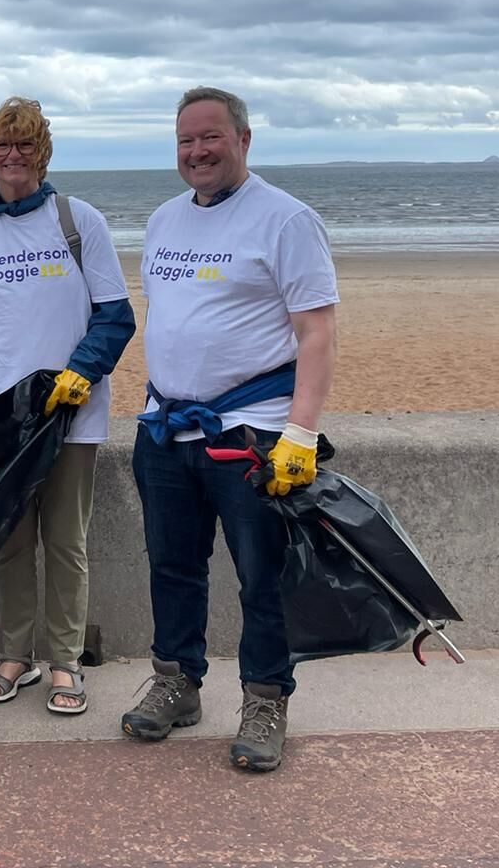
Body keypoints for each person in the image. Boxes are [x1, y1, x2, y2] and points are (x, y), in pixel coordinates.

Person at [120, 86, 338, 773]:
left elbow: (318, 332)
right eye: (185, 141)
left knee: (261, 577)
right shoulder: (163, 220)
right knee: (172, 567)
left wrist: (300, 434)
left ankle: (266, 699)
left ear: (243, 139)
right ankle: (177, 683)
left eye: (210, 137)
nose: (197, 152)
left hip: (252, 433)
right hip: (166, 428)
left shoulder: (286, 220)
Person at [0, 98, 136, 715]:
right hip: (1, 417)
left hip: (71, 415)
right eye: (2, 145)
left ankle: (65, 662)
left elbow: (115, 314)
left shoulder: (78, 220)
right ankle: (16, 655)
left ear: (41, 153)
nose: (13, 155)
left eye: (25, 145)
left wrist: (82, 372)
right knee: (9, 539)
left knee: (65, 542)